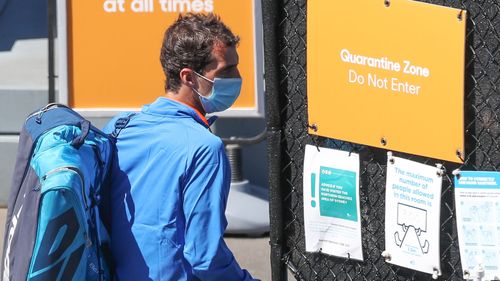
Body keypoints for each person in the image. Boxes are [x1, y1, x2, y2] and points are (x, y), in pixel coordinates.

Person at [103, 13, 260, 281]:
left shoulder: (119, 126)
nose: (238, 77)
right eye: (225, 71)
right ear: (188, 77)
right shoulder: (205, 148)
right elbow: (205, 257)